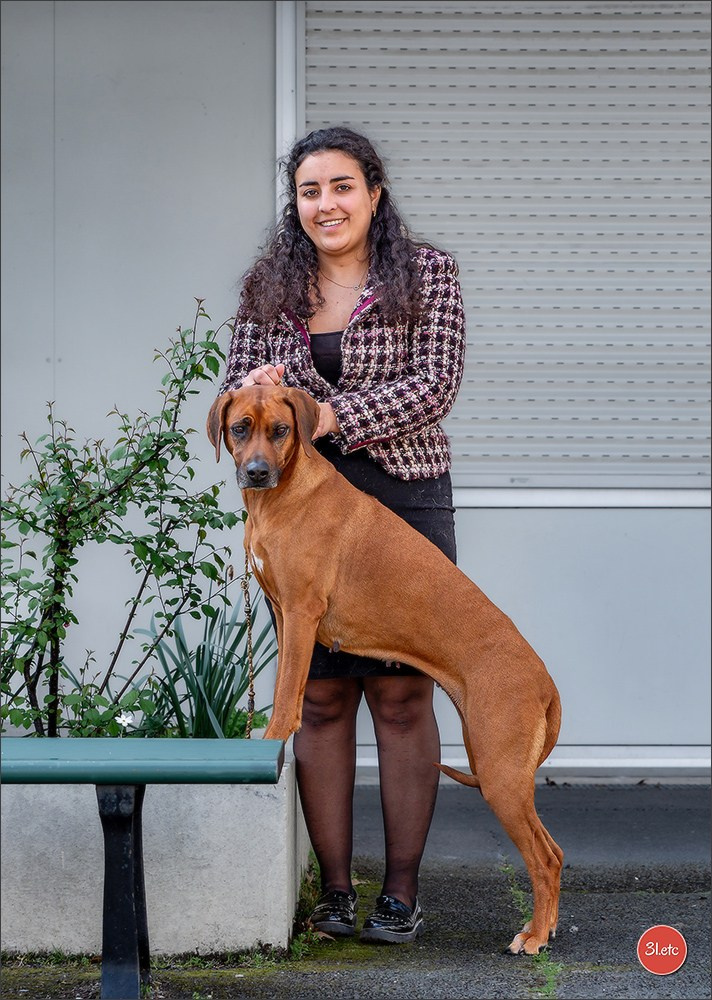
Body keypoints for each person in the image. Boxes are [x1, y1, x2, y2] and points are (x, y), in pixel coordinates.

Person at [217, 126, 466, 944]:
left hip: (402, 496)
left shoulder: (427, 274)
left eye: (341, 187)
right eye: (309, 192)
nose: (326, 204)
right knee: (320, 697)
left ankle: (400, 894)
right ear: (296, 206)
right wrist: (256, 388)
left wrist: (327, 416)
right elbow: (235, 387)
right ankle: (332, 892)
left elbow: (435, 384)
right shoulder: (268, 285)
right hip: (292, 500)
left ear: (374, 192)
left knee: (399, 695)